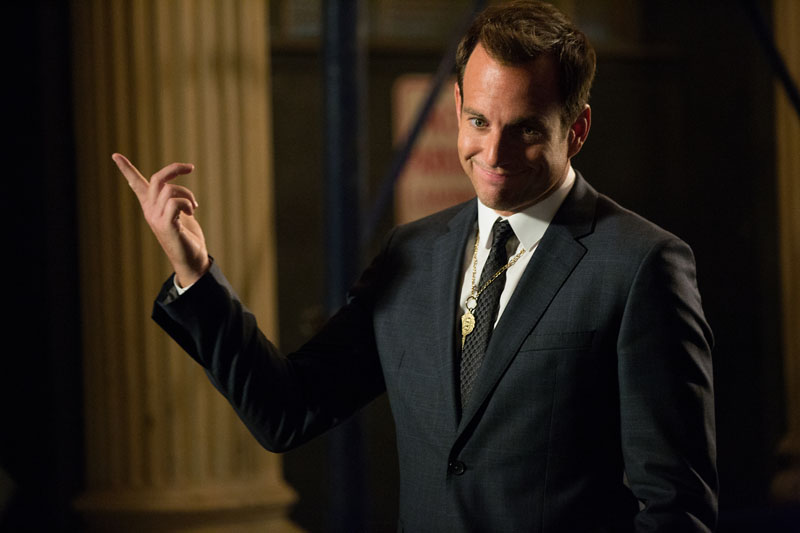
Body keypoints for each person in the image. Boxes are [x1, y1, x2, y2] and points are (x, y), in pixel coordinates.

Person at [113, 1, 718, 530]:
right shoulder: (412, 253)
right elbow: (287, 411)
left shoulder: (642, 265)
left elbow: (676, 506)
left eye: (526, 130)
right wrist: (194, 272)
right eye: (478, 121)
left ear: (577, 129)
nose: (494, 154)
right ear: (456, 106)